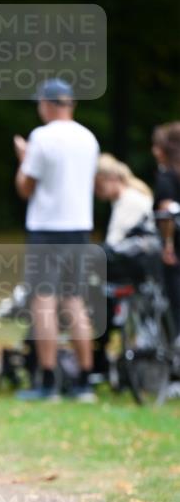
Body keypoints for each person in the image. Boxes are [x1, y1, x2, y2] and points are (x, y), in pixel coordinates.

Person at [13, 78, 99, 402]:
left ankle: (47, 379)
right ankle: (85, 381)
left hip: (47, 228)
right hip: (79, 227)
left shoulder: (41, 137)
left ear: (47, 105)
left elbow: (26, 187)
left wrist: (23, 158)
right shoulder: (88, 138)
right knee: (74, 301)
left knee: (43, 302)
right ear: (71, 104)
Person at [93, 153, 154, 377]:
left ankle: (96, 359)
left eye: (99, 188)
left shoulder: (130, 201)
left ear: (110, 179)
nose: (97, 194)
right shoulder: (129, 198)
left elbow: (115, 245)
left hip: (130, 269)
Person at [151, 121, 180, 340]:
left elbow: (166, 210)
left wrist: (168, 244)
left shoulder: (167, 177)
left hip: (175, 246)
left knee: (174, 297)